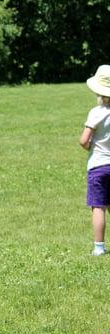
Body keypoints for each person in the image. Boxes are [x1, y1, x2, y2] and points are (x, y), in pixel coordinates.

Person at [79, 65, 110, 256]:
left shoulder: (96, 112)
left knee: (98, 206)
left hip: (98, 166)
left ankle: (99, 247)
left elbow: (84, 140)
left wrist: (89, 146)